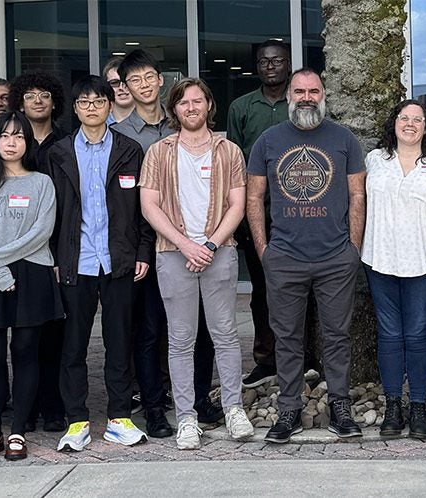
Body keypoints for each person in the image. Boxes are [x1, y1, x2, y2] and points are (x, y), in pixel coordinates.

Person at [246, 69, 369, 443]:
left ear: (323, 95)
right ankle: (288, 409)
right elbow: (253, 198)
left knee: (337, 335)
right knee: (286, 338)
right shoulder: (268, 141)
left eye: (313, 91)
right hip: (284, 258)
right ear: (288, 95)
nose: (306, 97)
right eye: (299, 90)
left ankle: (340, 406)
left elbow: (358, 196)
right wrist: (264, 251)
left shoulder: (344, 139)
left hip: (336, 258)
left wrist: (353, 249)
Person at [140, 78, 254, 449]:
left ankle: (235, 408)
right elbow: (149, 205)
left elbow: (237, 205)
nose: (191, 107)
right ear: (174, 109)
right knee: (181, 339)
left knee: (225, 335)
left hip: (219, 253)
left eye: (197, 101)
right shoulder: (158, 152)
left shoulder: (229, 151)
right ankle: (187, 418)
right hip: (174, 255)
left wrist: (210, 243)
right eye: (183, 102)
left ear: (208, 106)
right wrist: (187, 245)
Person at [44, 75, 153, 451]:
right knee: (72, 346)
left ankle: (119, 417)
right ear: (75, 109)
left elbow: (142, 209)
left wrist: (143, 251)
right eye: (85, 102)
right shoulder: (57, 153)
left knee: (119, 342)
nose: (92, 108)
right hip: (75, 262)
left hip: (119, 260)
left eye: (99, 101)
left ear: (110, 106)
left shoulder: (129, 149)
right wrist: (56, 256)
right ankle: (77, 420)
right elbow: (51, 213)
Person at [0, 112, 62, 462]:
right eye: (5, 136)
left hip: (30, 272)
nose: (12, 142)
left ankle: (18, 429)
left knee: (25, 352)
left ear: (27, 143)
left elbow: (41, 233)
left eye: (19, 137)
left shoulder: (41, 183)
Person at [363, 99, 426, 440]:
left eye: (418, 119)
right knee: (389, 336)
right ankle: (392, 406)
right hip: (380, 259)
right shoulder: (374, 160)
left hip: (425, 261)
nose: (410, 123)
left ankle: (417, 407)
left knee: (416, 335)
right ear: (394, 123)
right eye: (404, 118)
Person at [111, 49, 186, 438]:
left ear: (161, 79)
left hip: (185, 243)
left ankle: (191, 398)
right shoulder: (119, 137)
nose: (143, 85)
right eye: (134, 80)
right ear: (126, 87)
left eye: (149, 77)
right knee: (148, 329)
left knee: (191, 327)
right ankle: (153, 406)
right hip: (143, 247)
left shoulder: (182, 127)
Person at [227, 39, 294, 389]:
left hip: (298, 214)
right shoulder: (241, 107)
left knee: (301, 290)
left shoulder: (300, 103)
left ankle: (303, 357)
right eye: (264, 61)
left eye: (278, 60)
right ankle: (266, 359)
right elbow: (235, 166)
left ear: (288, 64)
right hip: (257, 214)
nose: (271, 66)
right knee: (261, 291)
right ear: (257, 66)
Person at [10, 71, 72, 433]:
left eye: (44, 94)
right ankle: (25, 407)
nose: (37, 100)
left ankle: (53, 405)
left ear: (54, 102)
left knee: (55, 334)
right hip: (19, 252)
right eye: (30, 94)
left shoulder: (67, 142)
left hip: (58, 249)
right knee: (23, 336)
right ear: (20, 100)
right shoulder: (12, 142)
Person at [103, 55, 136, 125]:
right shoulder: (98, 124)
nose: (121, 87)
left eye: (126, 81)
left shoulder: (151, 121)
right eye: (114, 83)